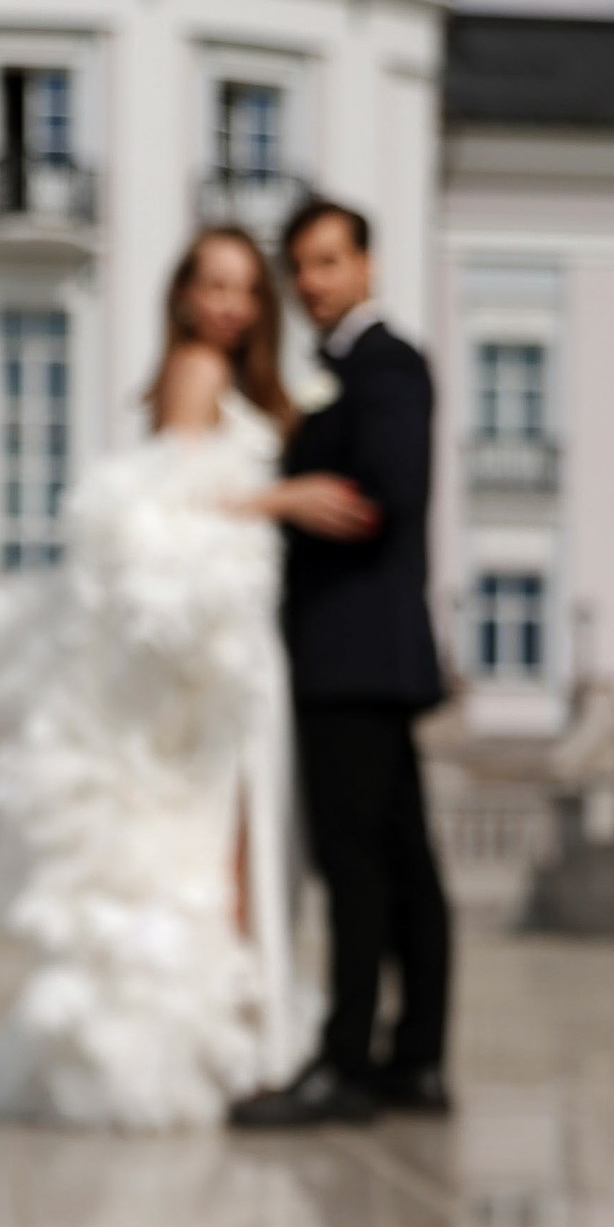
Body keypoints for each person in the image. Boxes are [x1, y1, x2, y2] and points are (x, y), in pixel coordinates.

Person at [0, 227, 317, 1129]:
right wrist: (286, 498)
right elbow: (170, 509)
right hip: (223, 643)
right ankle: (239, 1039)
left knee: (232, 834)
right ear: (183, 295)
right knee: (231, 837)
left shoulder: (217, 377)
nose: (230, 304)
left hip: (235, 630)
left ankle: (234, 1032)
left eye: (245, 289)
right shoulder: (198, 371)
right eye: (214, 285)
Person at [230, 196, 453, 1129]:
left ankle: (349, 1065)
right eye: (301, 267)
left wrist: (288, 500)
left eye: (328, 262)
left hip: (352, 655)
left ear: (367, 265)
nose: (312, 282)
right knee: (402, 862)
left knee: (357, 864)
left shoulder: (385, 364)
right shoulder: (336, 371)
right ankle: (417, 1061)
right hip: (363, 656)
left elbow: (380, 495)